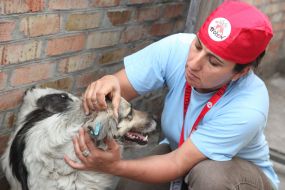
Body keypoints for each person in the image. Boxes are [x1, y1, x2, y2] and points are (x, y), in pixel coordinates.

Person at [64, 1, 280, 189]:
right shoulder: (176, 47)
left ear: (240, 72)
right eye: (197, 46)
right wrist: (108, 83)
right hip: (180, 152)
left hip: (236, 179)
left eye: (213, 62)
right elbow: (115, 93)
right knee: (130, 186)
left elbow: (177, 163)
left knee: (210, 178)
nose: (193, 64)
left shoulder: (249, 107)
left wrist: (115, 166)